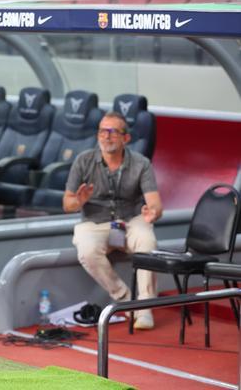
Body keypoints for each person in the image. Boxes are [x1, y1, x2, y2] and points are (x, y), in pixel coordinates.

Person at [63, 111, 162, 330]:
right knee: (87, 251)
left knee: (147, 241)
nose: (106, 136)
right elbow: (67, 204)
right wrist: (78, 201)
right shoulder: (84, 160)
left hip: (130, 219)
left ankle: (145, 308)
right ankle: (126, 301)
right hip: (95, 221)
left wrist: (152, 213)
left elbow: (155, 204)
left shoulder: (141, 163)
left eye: (113, 132)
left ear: (126, 138)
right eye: (102, 131)